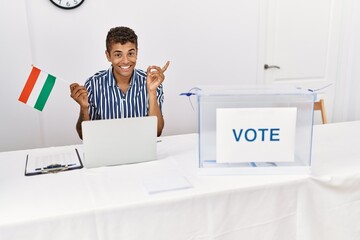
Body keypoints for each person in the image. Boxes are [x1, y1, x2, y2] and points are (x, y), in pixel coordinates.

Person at [70, 26, 170, 139]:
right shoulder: (93, 84)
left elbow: (157, 132)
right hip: (106, 151)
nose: (126, 61)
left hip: (141, 150)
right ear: (108, 56)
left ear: (136, 53)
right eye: (118, 55)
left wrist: (152, 91)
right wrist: (84, 108)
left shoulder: (152, 82)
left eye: (130, 53)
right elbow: (84, 136)